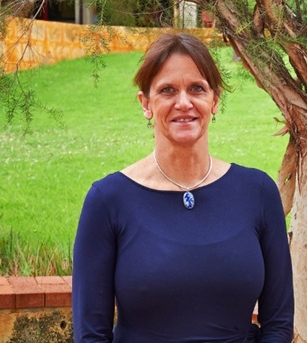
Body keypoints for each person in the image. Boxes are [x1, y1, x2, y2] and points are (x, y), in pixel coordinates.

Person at [72, 33, 294, 342]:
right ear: (145, 103)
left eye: (196, 89)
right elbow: (90, 335)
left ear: (214, 100)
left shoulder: (257, 193)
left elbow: (279, 324)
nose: (184, 103)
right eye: (167, 90)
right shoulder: (108, 201)